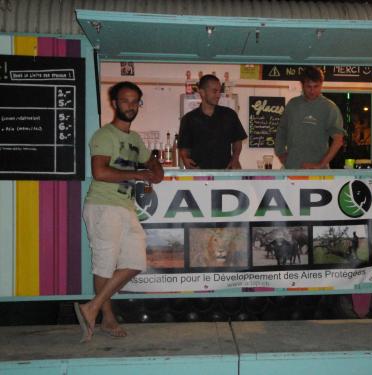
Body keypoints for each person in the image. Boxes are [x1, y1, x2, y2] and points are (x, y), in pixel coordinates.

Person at [74, 81, 163, 343]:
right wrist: (139, 174)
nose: (131, 106)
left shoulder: (135, 139)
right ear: (114, 104)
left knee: (136, 261)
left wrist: (155, 171)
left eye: (135, 101)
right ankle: (106, 318)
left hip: (124, 206)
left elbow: (153, 163)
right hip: (102, 206)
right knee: (104, 265)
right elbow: (100, 172)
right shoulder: (104, 136)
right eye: (125, 101)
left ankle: (92, 308)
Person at [274, 66, 344, 169]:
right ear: (302, 85)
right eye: (308, 86)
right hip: (292, 168)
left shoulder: (329, 108)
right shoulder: (292, 105)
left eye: (316, 86)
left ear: (321, 85)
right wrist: (280, 153)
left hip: (318, 172)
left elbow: (338, 140)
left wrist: (320, 164)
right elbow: (282, 130)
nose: (312, 91)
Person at [178, 74, 247, 169]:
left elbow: (237, 141)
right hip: (199, 174)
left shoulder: (229, 114)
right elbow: (184, 147)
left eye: (219, 91)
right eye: (214, 91)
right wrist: (185, 158)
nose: (218, 95)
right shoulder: (189, 119)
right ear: (202, 92)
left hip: (226, 172)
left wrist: (235, 159)